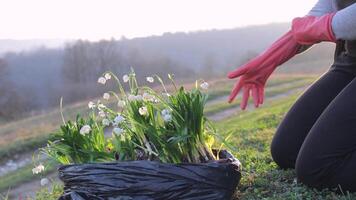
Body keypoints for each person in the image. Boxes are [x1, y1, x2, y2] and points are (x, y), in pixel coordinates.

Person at [227, 0, 356, 192]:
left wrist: (318, 27)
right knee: (287, 150)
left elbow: (317, 26)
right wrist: (268, 60)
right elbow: (319, 15)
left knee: (319, 170)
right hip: (351, 59)